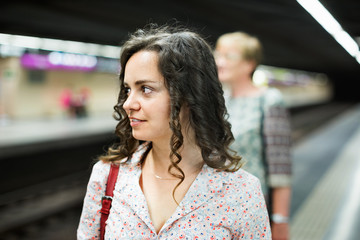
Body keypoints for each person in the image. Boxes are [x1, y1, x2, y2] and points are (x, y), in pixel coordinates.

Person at [77, 24, 271, 239]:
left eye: (146, 89)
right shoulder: (107, 176)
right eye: (127, 90)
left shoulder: (241, 192)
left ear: (190, 96)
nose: (128, 103)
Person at [214, 32, 292, 240]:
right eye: (218, 55)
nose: (219, 62)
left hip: (251, 206)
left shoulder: (268, 100)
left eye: (229, 57)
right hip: (214, 203)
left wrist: (280, 220)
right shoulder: (218, 102)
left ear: (249, 64)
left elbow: (280, 167)